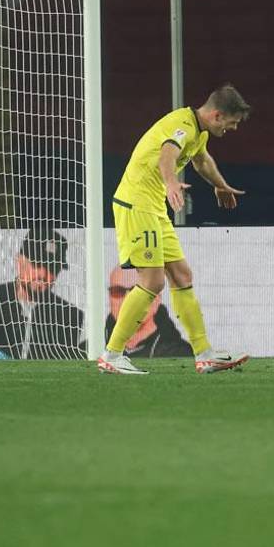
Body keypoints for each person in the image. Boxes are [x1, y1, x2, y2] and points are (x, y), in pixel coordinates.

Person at [98, 84, 252, 375]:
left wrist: (220, 185)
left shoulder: (199, 130)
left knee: (182, 275)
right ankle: (112, 354)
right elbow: (168, 153)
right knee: (152, 281)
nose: (232, 129)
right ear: (217, 115)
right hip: (137, 204)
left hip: (154, 207)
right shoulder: (182, 125)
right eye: (232, 123)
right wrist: (171, 183)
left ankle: (204, 354)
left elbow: (202, 160)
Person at [0, 227, 84, 360]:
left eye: (53, 268)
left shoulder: (69, 316)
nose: (43, 274)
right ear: (20, 261)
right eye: (37, 264)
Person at [104, 265, 192, 358]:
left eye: (137, 292)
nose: (127, 300)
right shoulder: (89, 352)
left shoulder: (181, 355)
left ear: (156, 298)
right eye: (118, 291)